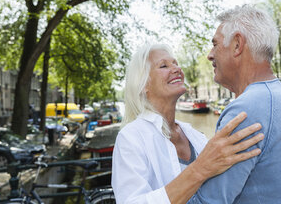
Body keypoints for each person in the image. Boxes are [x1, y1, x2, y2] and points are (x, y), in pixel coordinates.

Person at [187, 5, 281, 203]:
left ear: (237, 44)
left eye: (215, 44)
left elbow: (208, 201)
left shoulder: (246, 110)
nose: (210, 54)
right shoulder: (278, 94)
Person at [112, 44, 264, 203]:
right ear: (143, 85)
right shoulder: (131, 138)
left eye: (176, 63)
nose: (177, 69)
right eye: (164, 66)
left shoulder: (193, 134)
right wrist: (199, 169)